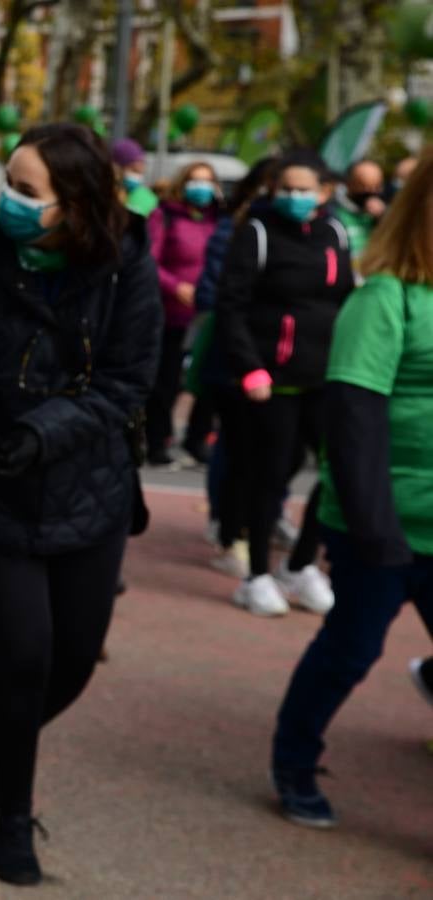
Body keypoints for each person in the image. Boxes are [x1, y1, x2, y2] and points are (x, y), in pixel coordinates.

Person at [0, 123, 161, 885]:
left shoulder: (127, 267)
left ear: (76, 204)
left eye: (29, 192)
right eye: (9, 182)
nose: (8, 201)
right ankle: (13, 811)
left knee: (69, 664)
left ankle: (12, 745)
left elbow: (128, 382)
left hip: (89, 493)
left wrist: (48, 429)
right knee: (23, 657)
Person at [269, 152, 433, 829]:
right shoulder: (385, 297)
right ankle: (294, 760)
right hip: (383, 526)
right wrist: (376, 533)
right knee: (351, 649)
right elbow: (354, 419)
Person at [215, 151, 353, 617]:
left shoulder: (335, 233)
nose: (294, 197)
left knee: (338, 472)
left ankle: (300, 564)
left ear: (325, 192)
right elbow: (230, 306)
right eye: (286, 188)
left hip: (325, 376)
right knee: (268, 477)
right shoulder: (255, 233)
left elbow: (346, 298)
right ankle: (256, 574)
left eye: (304, 189)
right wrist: (250, 367)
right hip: (270, 382)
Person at [192, 156, 278, 577]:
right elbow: (222, 299)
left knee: (269, 456)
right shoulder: (239, 233)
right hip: (234, 364)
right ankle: (229, 529)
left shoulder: (315, 236)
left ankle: (255, 522)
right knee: (237, 450)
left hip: (280, 367)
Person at [145, 161, 221, 465]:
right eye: (195, 181)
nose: (201, 188)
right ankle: (157, 440)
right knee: (166, 381)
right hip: (171, 313)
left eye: (207, 181)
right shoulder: (164, 216)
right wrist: (176, 287)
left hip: (206, 313)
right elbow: (151, 260)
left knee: (205, 378)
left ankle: (197, 438)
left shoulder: (218, 219)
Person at [333, 159, 385, 261]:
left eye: (376, 187)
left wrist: (382, 218)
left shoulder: (380, 215)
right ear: (349, 184)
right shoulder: (334, 212)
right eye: (363, 186)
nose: (371, 192)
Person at [111, 137, 158, 217]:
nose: (137, 176)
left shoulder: (149, 197)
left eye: (141, 170)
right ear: (117, 168)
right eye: (133, 170)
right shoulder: (108, 198)